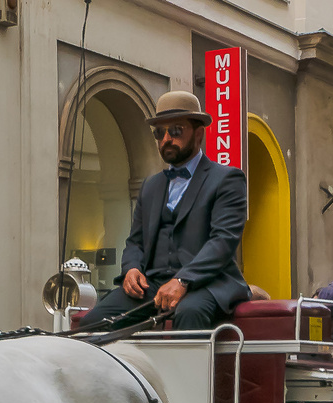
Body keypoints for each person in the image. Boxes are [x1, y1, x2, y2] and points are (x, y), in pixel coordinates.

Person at [78, 90, 249, 332]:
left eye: (176, 130)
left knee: (190, 312)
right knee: (91, 323)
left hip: (208, 283)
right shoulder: (151, 186)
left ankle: (187, 372)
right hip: (152, 285)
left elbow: (222, 242)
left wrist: (183, 280)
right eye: (160, 133)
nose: (166, 138)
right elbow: (135, 242)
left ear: (198, 133)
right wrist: (131, 269)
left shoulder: (227, 179)